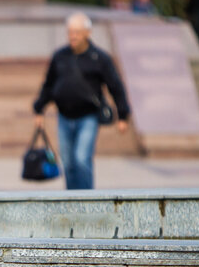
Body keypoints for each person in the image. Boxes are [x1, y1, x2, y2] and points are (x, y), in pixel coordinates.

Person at [33, 12, 131, 190]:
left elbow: (115, 86)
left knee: (81, 159)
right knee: (68, 163)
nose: (73, 36)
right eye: (70, 32)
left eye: (77, 32)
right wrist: (39, 109)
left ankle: (87, 202)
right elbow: (48, 84)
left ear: (88, 33)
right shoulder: (60, 56)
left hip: (88, 118)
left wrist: (123, 115)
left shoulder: (100, 58)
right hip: (63, 117)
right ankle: (73, 202)